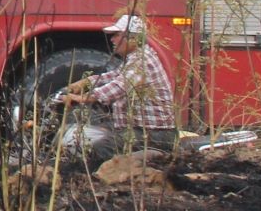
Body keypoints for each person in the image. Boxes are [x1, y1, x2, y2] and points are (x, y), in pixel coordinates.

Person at [62, 13, 179, 156]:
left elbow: (118, 87)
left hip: (154, 134)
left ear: (132, 38)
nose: (112, 39)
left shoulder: (141, 61)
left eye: (117, 35)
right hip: (139, 128)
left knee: (102, 147)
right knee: (88, 132)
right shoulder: (135, 58)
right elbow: (113, 76)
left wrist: (80, 99)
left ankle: (100, 177)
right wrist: (85, 82)